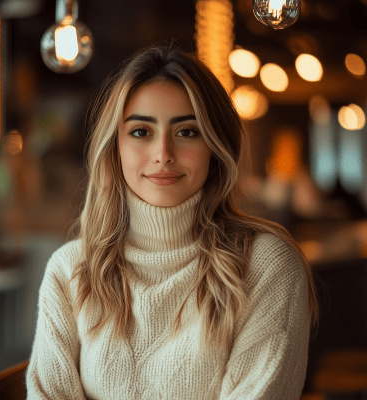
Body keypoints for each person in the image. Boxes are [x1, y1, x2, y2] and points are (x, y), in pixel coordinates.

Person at [25, 41, 320, 400]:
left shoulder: (266, 266)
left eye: (186, 131)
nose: (163, 154)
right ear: (114, 148)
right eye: (140, 132)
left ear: (215, 147)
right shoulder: (71, 270)